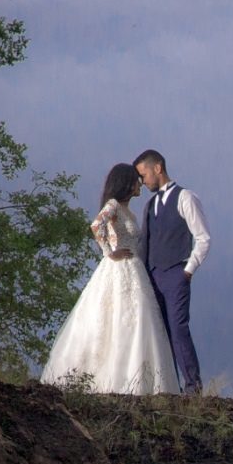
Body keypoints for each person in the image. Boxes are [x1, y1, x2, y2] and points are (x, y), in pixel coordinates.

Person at [39, 163, 179, 395]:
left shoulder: (128, 210)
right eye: (136, 180)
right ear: (126, 182)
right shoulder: (114, 205)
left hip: (134, 269)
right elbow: (97, 225)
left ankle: (138, 381)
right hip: (119, 267)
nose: (140, 185)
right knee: (114, 319)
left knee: (136, 321)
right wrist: (108, 251)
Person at [131, 150, 210, 393]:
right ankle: (169, 387)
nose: (143, 183)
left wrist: (188, 270)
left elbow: (203, 238)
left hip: (176, 273)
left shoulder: (185, 197)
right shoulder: (149, 205)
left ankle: (192, 387)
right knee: (159, 335)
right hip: (153, 276)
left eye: (144, 175)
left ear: (158, 168)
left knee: (178, 329)